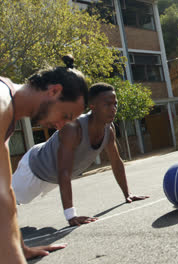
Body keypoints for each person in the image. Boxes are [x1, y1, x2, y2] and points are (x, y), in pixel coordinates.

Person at [13, 83, 149, 228]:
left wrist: (127, 194)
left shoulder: (109, 129)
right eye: (107, 104)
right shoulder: (73, 128)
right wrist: (71, 215)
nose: (113, 109)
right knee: (9, 201)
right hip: (34, 168)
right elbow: (63, 171)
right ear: (92, 105)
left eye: (115, 104)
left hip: (54, 178)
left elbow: (116, 161)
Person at [1, 55, 87, 262]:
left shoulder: (8, 111)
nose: (60, 126)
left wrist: (19, 247)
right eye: (65, 116)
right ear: (54, 91)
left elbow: (5, 192)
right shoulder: (2, 102)